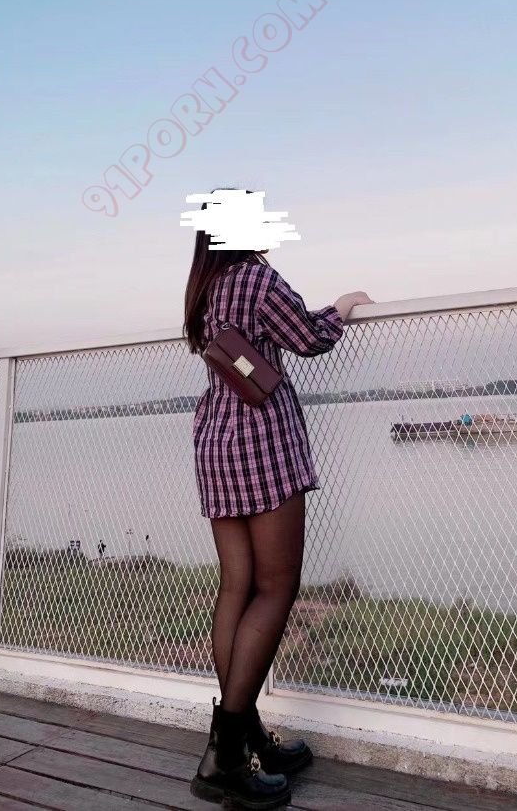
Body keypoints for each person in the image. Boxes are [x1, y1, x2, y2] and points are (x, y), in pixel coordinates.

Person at [183, 196, 373, 808]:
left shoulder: (204, 290)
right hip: (262, 442)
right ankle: (225, 760)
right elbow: (308, 337)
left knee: (236, 587)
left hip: (216, 439)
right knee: (276, 587)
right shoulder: (258, 279)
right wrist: (342, 307)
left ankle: (246, 739)